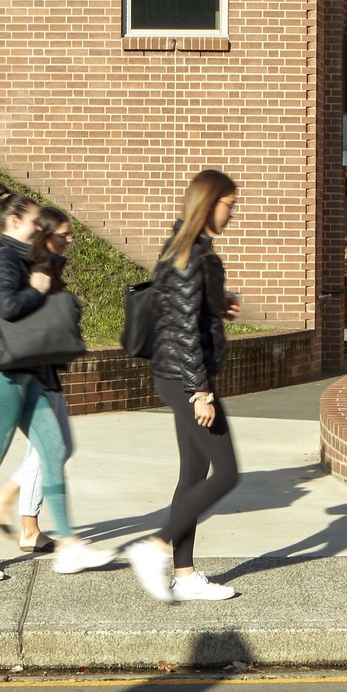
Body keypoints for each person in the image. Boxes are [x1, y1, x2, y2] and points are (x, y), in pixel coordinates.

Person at [0, 185, 111, 583]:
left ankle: (69, 548)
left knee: (53, 449)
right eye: (36, 221)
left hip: (25, 371)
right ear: (15, 221)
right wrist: (38, 287)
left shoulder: (23, 257)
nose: (42, 226)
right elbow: (8, 307)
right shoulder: (3, 256)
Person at [128, 167, 243, 604]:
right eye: (228, 205)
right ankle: (155, 547)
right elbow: (180, 328)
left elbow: (191, 311)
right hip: (184, 377)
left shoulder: (189, 248)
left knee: (194, 475)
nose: (232, 214)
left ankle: (185, 573)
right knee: (228, 473)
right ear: (209, 203)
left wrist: (220, 304)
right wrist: (201, 390)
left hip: (181, 374)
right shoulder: (189, 253)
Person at [0, 206, 76, 553]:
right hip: (36, 369)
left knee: (52, 447)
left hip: (41, 366)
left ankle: (28, 527)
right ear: (46, 234)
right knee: (56, 446)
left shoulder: (43, 264)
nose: (70, 240)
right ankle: (9, 504)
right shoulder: (35, 266)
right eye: (64, 234)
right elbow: (18, 311)